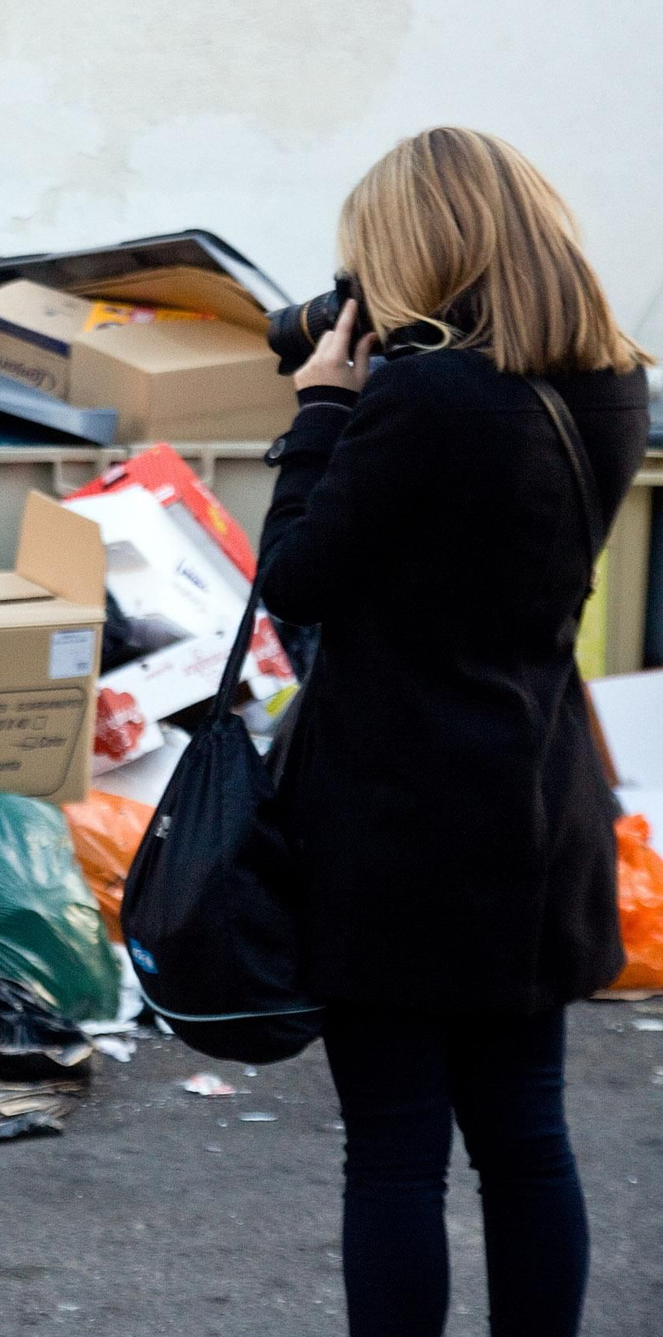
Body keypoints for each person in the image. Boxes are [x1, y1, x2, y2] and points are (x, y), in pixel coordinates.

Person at [259, 127, 650, 1337]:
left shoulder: (422, 398)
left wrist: (322, 406)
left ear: (415, 251)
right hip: (538, 802)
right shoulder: (610, 384)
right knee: (526, 1141)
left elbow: (294, 577)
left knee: (392, 1155)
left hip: (395, 820)